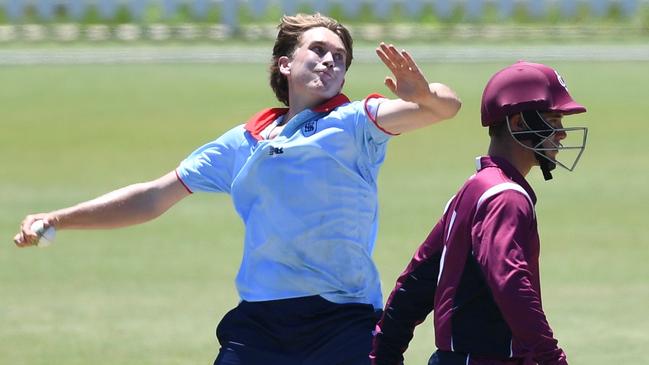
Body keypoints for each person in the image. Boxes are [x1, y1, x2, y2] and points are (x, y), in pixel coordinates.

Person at [13, 13, 461, 365]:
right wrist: (59, 218)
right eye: (319, 50)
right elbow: (153, 196)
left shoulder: (357, 122)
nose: (330, 60)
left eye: (339, 58)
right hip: (261, 324)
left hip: (343, 321)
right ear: (285, 64)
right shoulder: (241, 142)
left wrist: (421, 92)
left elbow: (445, 108)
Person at [370, 61, 588, 365]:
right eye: (553, 119)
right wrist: (552, 358)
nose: (562, 134)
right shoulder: (506, 197)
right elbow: (511, 283)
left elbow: (417, 280)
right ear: (519, 124)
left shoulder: (475, 188)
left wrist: (384, 352)